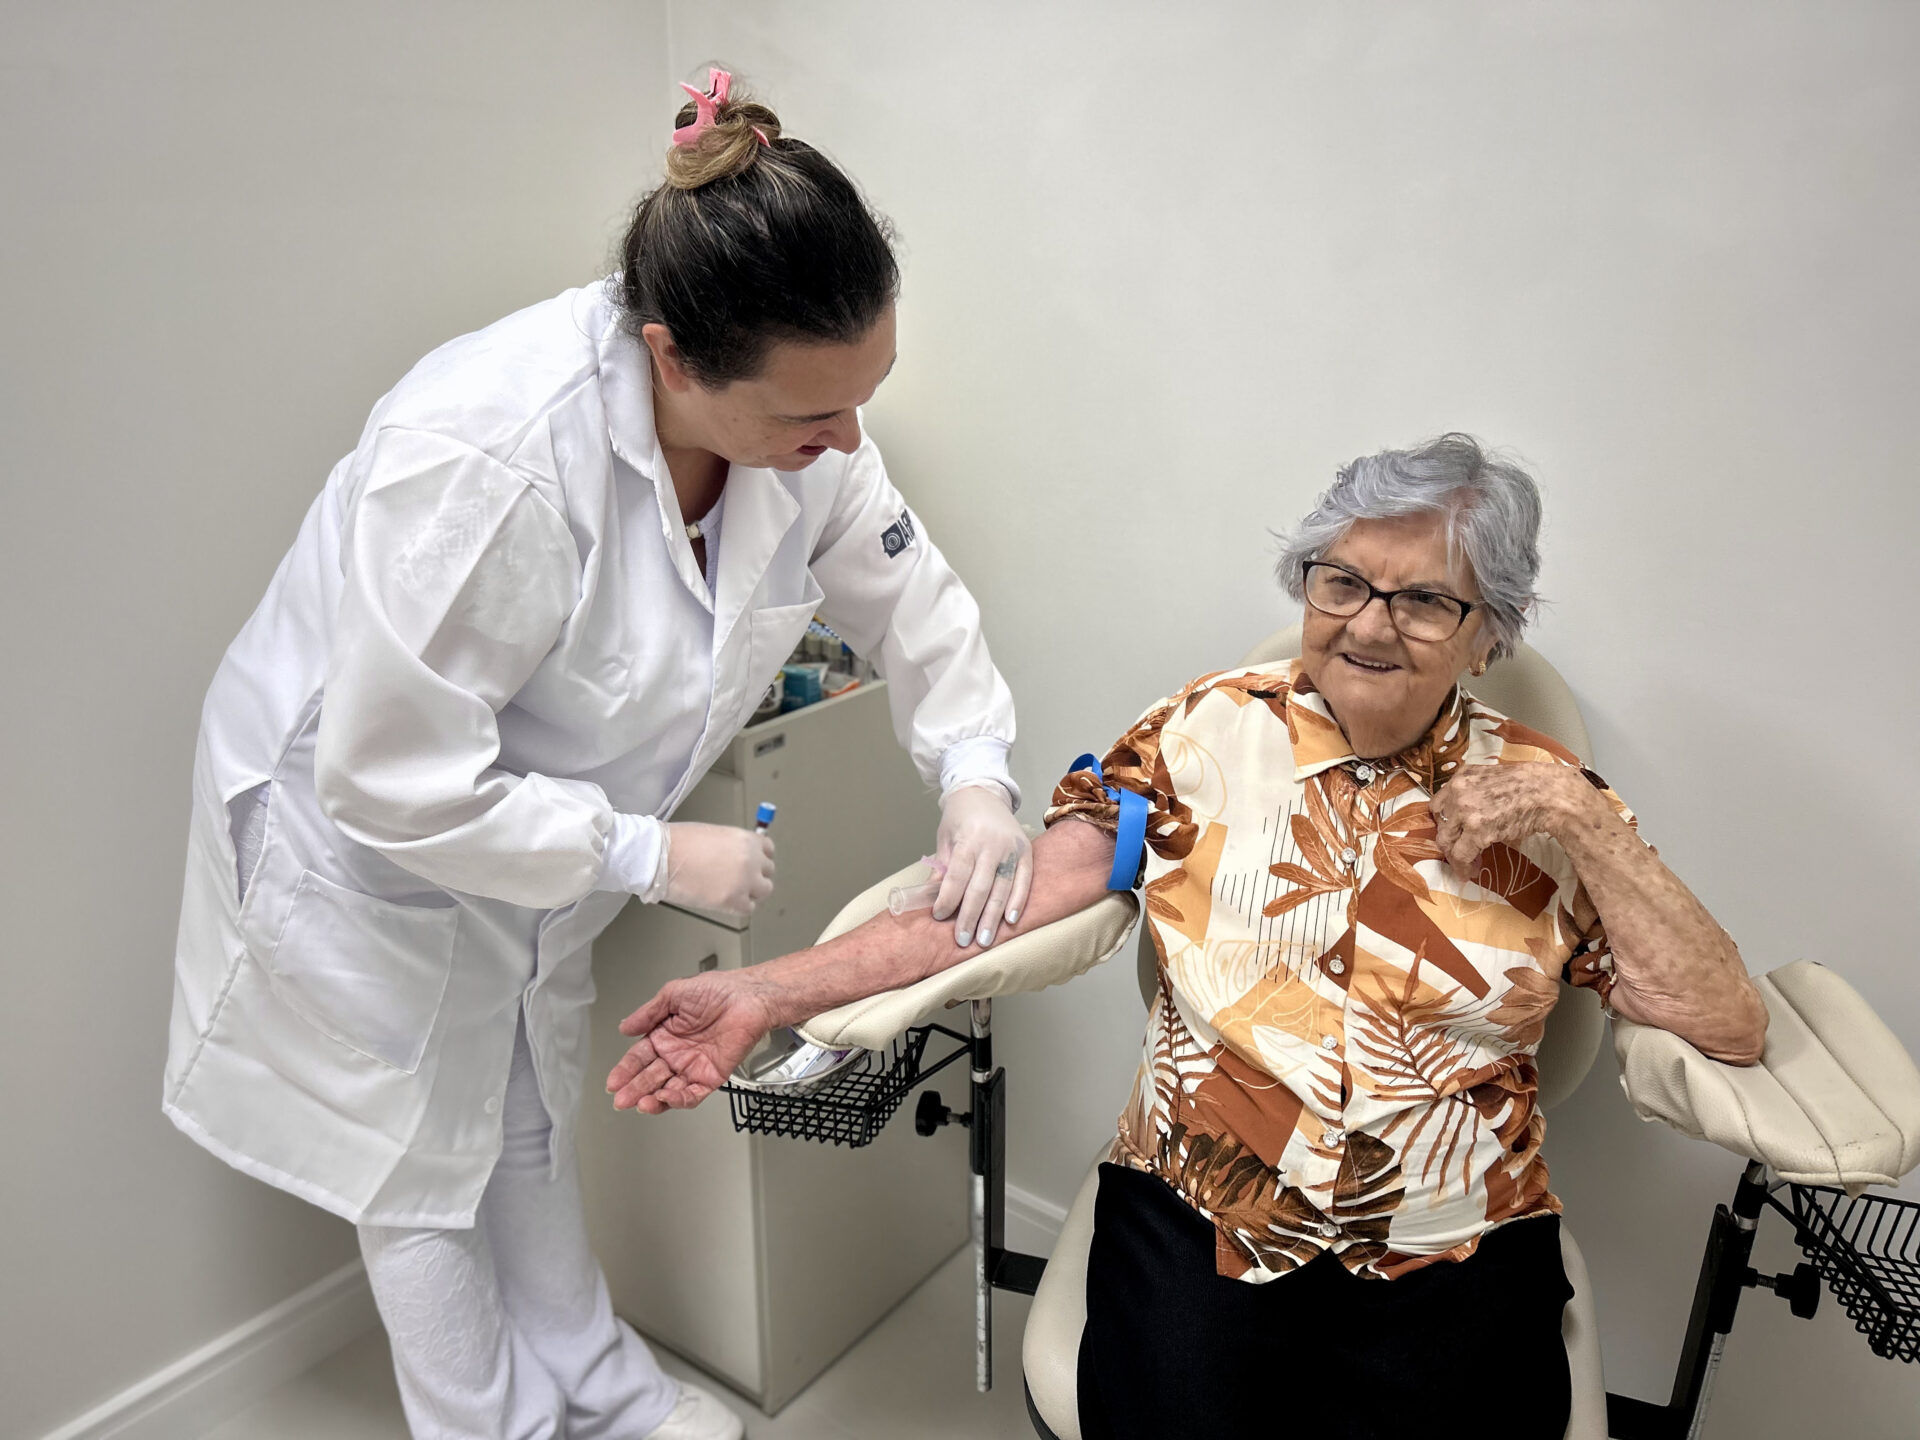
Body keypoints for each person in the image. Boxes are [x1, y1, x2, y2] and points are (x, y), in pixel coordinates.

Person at [163, 70, 1032, 1440]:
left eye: (866, 398)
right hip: (365, 838)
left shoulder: (804, 431)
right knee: (417, 1167)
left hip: (532, 829)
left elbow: (909, 598)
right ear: (674, 356)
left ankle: (602, 1385)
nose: (847, 441)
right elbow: (389, 778)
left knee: (527, 1109)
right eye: (811, 417)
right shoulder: (488, 454)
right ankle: (492, 1424)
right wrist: (646, 852)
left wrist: (975, 775)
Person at [606, 434, 1770, 1439]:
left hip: (1452, 1235)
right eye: (1341, 583)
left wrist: (1580, 821)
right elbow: (1008, 896)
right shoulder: (1200, 736)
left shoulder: (1547, 797)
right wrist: (770, 991)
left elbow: (1727, 1019)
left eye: (1423, 600)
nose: (1370, 623)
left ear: (1489, 635)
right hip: (1208, 1205)